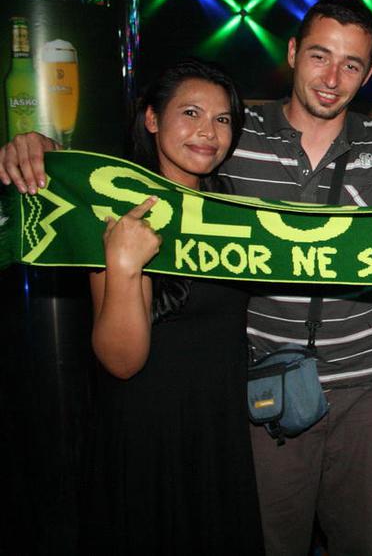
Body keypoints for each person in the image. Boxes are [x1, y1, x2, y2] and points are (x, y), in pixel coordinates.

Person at [0, 0, 372, 556]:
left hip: (366, 388)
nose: (332, 78)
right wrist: (44, 151)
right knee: (270, 540)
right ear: (293, 52)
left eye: (351, 64)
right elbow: (140, 168)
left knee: (369, 541)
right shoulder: (231, 136)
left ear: (369, 74)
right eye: (320, 56)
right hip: (265, 390)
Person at [82, 58, 264, 554]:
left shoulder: (228, 207)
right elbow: (121, 361)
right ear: (151, 118)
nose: (208, 131)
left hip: (219, 427)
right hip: (151, 435)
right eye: (190, 113)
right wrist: (124, 266)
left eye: (222, 119)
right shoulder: (119, 211)